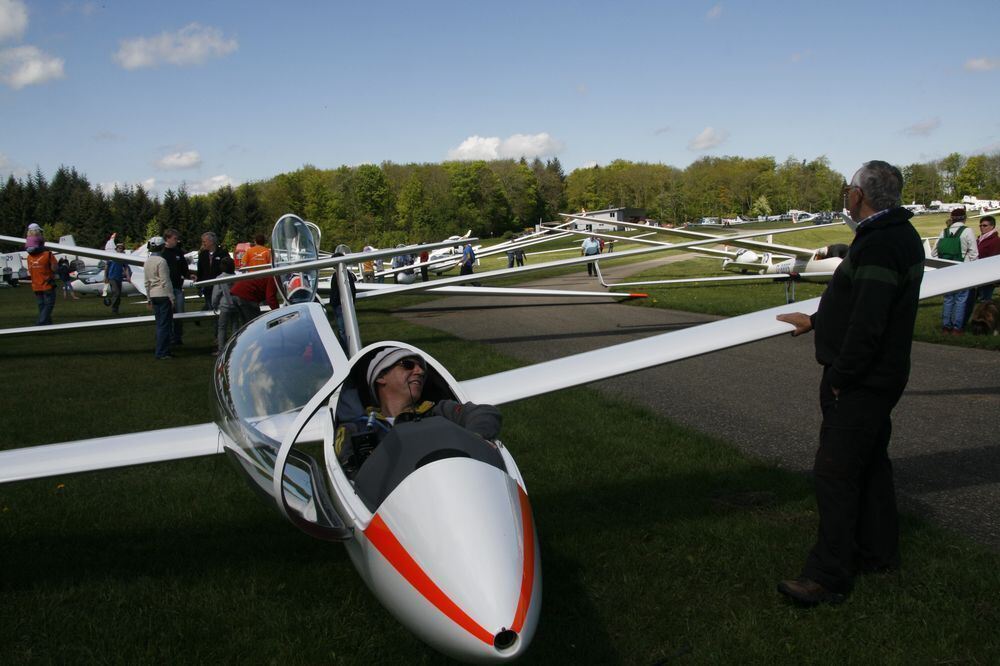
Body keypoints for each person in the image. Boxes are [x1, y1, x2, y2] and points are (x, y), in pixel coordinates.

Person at [775, 160, 924, 606]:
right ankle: (878, 553)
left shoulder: (879, 244)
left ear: (859, 195)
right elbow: (861, 303)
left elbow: (869, 323)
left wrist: (841, 377)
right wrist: (818, 320)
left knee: (834, 473)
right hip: (880, 375)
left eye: (848, 189)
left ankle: (827, 576)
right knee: (871, 463)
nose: (846, 196)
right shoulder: (899, 235)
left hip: (861, 380)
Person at [334, 346, 502, 477]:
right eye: (407, 365)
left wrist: (475, 440)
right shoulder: (355, 429)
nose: (420, 371)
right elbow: (350, 476)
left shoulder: (438, 411)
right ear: (381, 377)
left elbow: (485, 413)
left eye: (421, 368)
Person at [932, 208, 978, 334]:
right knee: (961, 299)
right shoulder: (968, 231)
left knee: (948, 299)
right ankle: (957, 328)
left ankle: (946, 326)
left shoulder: (944, 232)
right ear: (965, 218)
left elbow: (934, 252)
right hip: (963, 269)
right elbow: (974, 254)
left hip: (947, 270)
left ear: (951, 218)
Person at [143, 236, 175, 360]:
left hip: (153, 295)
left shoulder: (147, 262)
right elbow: (165, 281)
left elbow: (146, 282)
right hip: (162, 295)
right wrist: (171, 297)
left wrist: (149, 298)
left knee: (159, 324)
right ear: (162, 247)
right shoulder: (161, 262)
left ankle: (163, 350)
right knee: (164, 325)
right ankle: (162, 352)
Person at [162, 229, 191, 345]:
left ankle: (178, 337)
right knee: (168, 314)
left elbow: (184, 268)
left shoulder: (179, 252)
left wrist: (189, 275)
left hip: (178, 288)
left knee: (180, 313)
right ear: (167, 239)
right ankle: (168, 337)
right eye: (174, 238)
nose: (176, 241)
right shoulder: (162, 253)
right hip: (166, 289)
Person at [25, 235, 58, 325]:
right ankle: (41, 323)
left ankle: (48, 324)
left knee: (41, 305)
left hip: (36, 286)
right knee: (49, 305)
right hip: (47, 284)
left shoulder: (29, 258)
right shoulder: (48, 254)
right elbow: (54, 268)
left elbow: (30, 270)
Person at [196, 231, 231, 309]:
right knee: (210, 307)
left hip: (221, 286)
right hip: (207, 287)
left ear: (211, 242)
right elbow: (200, 271)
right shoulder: (202, 254)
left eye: (204, 241)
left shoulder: (223, 253)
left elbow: (229, 268)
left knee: (222, 307)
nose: (203, 243)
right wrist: (199, 287)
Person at [211, 257, 238, 355]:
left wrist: (214, 304)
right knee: (235, 326)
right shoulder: (236, 276)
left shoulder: (219, 278)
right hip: (235, 305)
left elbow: (216, 293)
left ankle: (221, 349)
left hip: (225, 306)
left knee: (222, 327)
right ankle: (235, 346)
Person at [974, 215, 999, 302]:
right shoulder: (980, 238)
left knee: (985, 298)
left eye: (984, 225)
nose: (981, 227)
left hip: (987, 272)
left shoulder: (995, 240)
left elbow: (994, 257)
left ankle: (986, 313)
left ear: (992, 226)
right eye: (980, 225)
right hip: (978, 270)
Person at [104, 242, 131, 314]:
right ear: (116, 249)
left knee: (118, 295)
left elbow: (126, 268)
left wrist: (128, 276)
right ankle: (112, 306)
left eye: (122, 248)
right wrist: (105, 277)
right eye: (119, 248)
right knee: (116, 292)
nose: (120, 249)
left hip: (119, 278)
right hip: (112, 277)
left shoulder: (123, 258)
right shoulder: (111, 257)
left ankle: (115, 309)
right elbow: (106, 267)